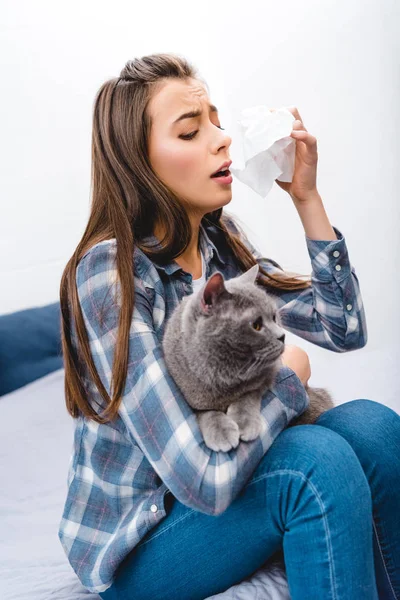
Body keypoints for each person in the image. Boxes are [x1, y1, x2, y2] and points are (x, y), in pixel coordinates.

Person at [57, 52, 400, 600]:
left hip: (222, 494)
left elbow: (344, 329)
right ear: (137, 162)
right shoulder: (109, 272)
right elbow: (202, 480)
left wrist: (307, 199)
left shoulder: (221, 245)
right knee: (314, 462)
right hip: (141, 542)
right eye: (192, 131)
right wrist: (288, 377)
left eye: (215, 123)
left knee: (375, 428)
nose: (221, 140)